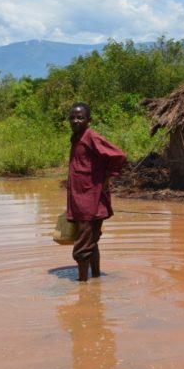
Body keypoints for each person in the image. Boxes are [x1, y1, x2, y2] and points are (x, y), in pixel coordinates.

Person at [67, 102, 127, 282]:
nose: (75, 120)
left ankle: (82, 288)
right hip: (81, 198)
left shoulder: (90, 136)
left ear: (88, 120)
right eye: (72, 117)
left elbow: (119, 155)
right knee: (91, 243)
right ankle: (96, 280)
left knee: (82, 248)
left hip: (90, 199)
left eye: (80, 117)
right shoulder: (77, 137)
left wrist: (107, 177)